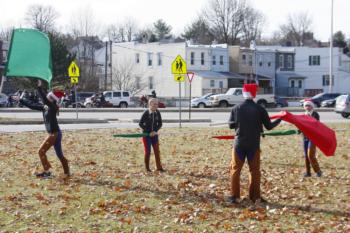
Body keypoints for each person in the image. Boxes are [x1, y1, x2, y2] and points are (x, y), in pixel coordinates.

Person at [228, 83, 281, 204]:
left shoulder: (236, 108)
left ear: (243, 93)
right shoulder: (260, 109)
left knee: (235, 170)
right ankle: (255, 197)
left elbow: (231, 125)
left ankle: (234, 197)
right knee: (254, 171)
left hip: (239, 144)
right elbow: (269, 126)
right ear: (254, 94)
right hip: (253, 144)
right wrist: (280, 119)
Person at [18, 80, 70, 178]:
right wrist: (21, 100)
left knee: (41, 151)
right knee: (59, 155)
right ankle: (67, 173)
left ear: (52, 99)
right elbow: (32, 106)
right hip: (55, 133)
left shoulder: (53, 107)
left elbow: (45, 100)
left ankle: (47, 173)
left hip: (54, 134)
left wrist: (39, 87)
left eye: (49, 97)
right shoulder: (45, 107)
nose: (47, 98)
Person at [139, 98, 164, 172]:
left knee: (157, 151)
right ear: (150, 104)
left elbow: (160, 123)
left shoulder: (157, 112)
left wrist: (155, 131)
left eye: (157, 104)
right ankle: (147, 168)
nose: (156, 106)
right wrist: (148, 132)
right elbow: (140, 124)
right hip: (146, 135)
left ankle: (159, 167)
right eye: (154, 104)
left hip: (154, 135)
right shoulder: (146, 113)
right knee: (148, 151)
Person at [302, 100, 322, 177]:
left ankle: (318, 171)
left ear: (312, 106)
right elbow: (301, 125)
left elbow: (315, 124)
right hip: (305, 137)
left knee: (310, 154)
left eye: (309, 105)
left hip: (313, 138)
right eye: (306, 105)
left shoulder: (315, 114)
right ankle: (308, 172)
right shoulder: (303, 115)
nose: (307, 107)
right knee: (306, 155)